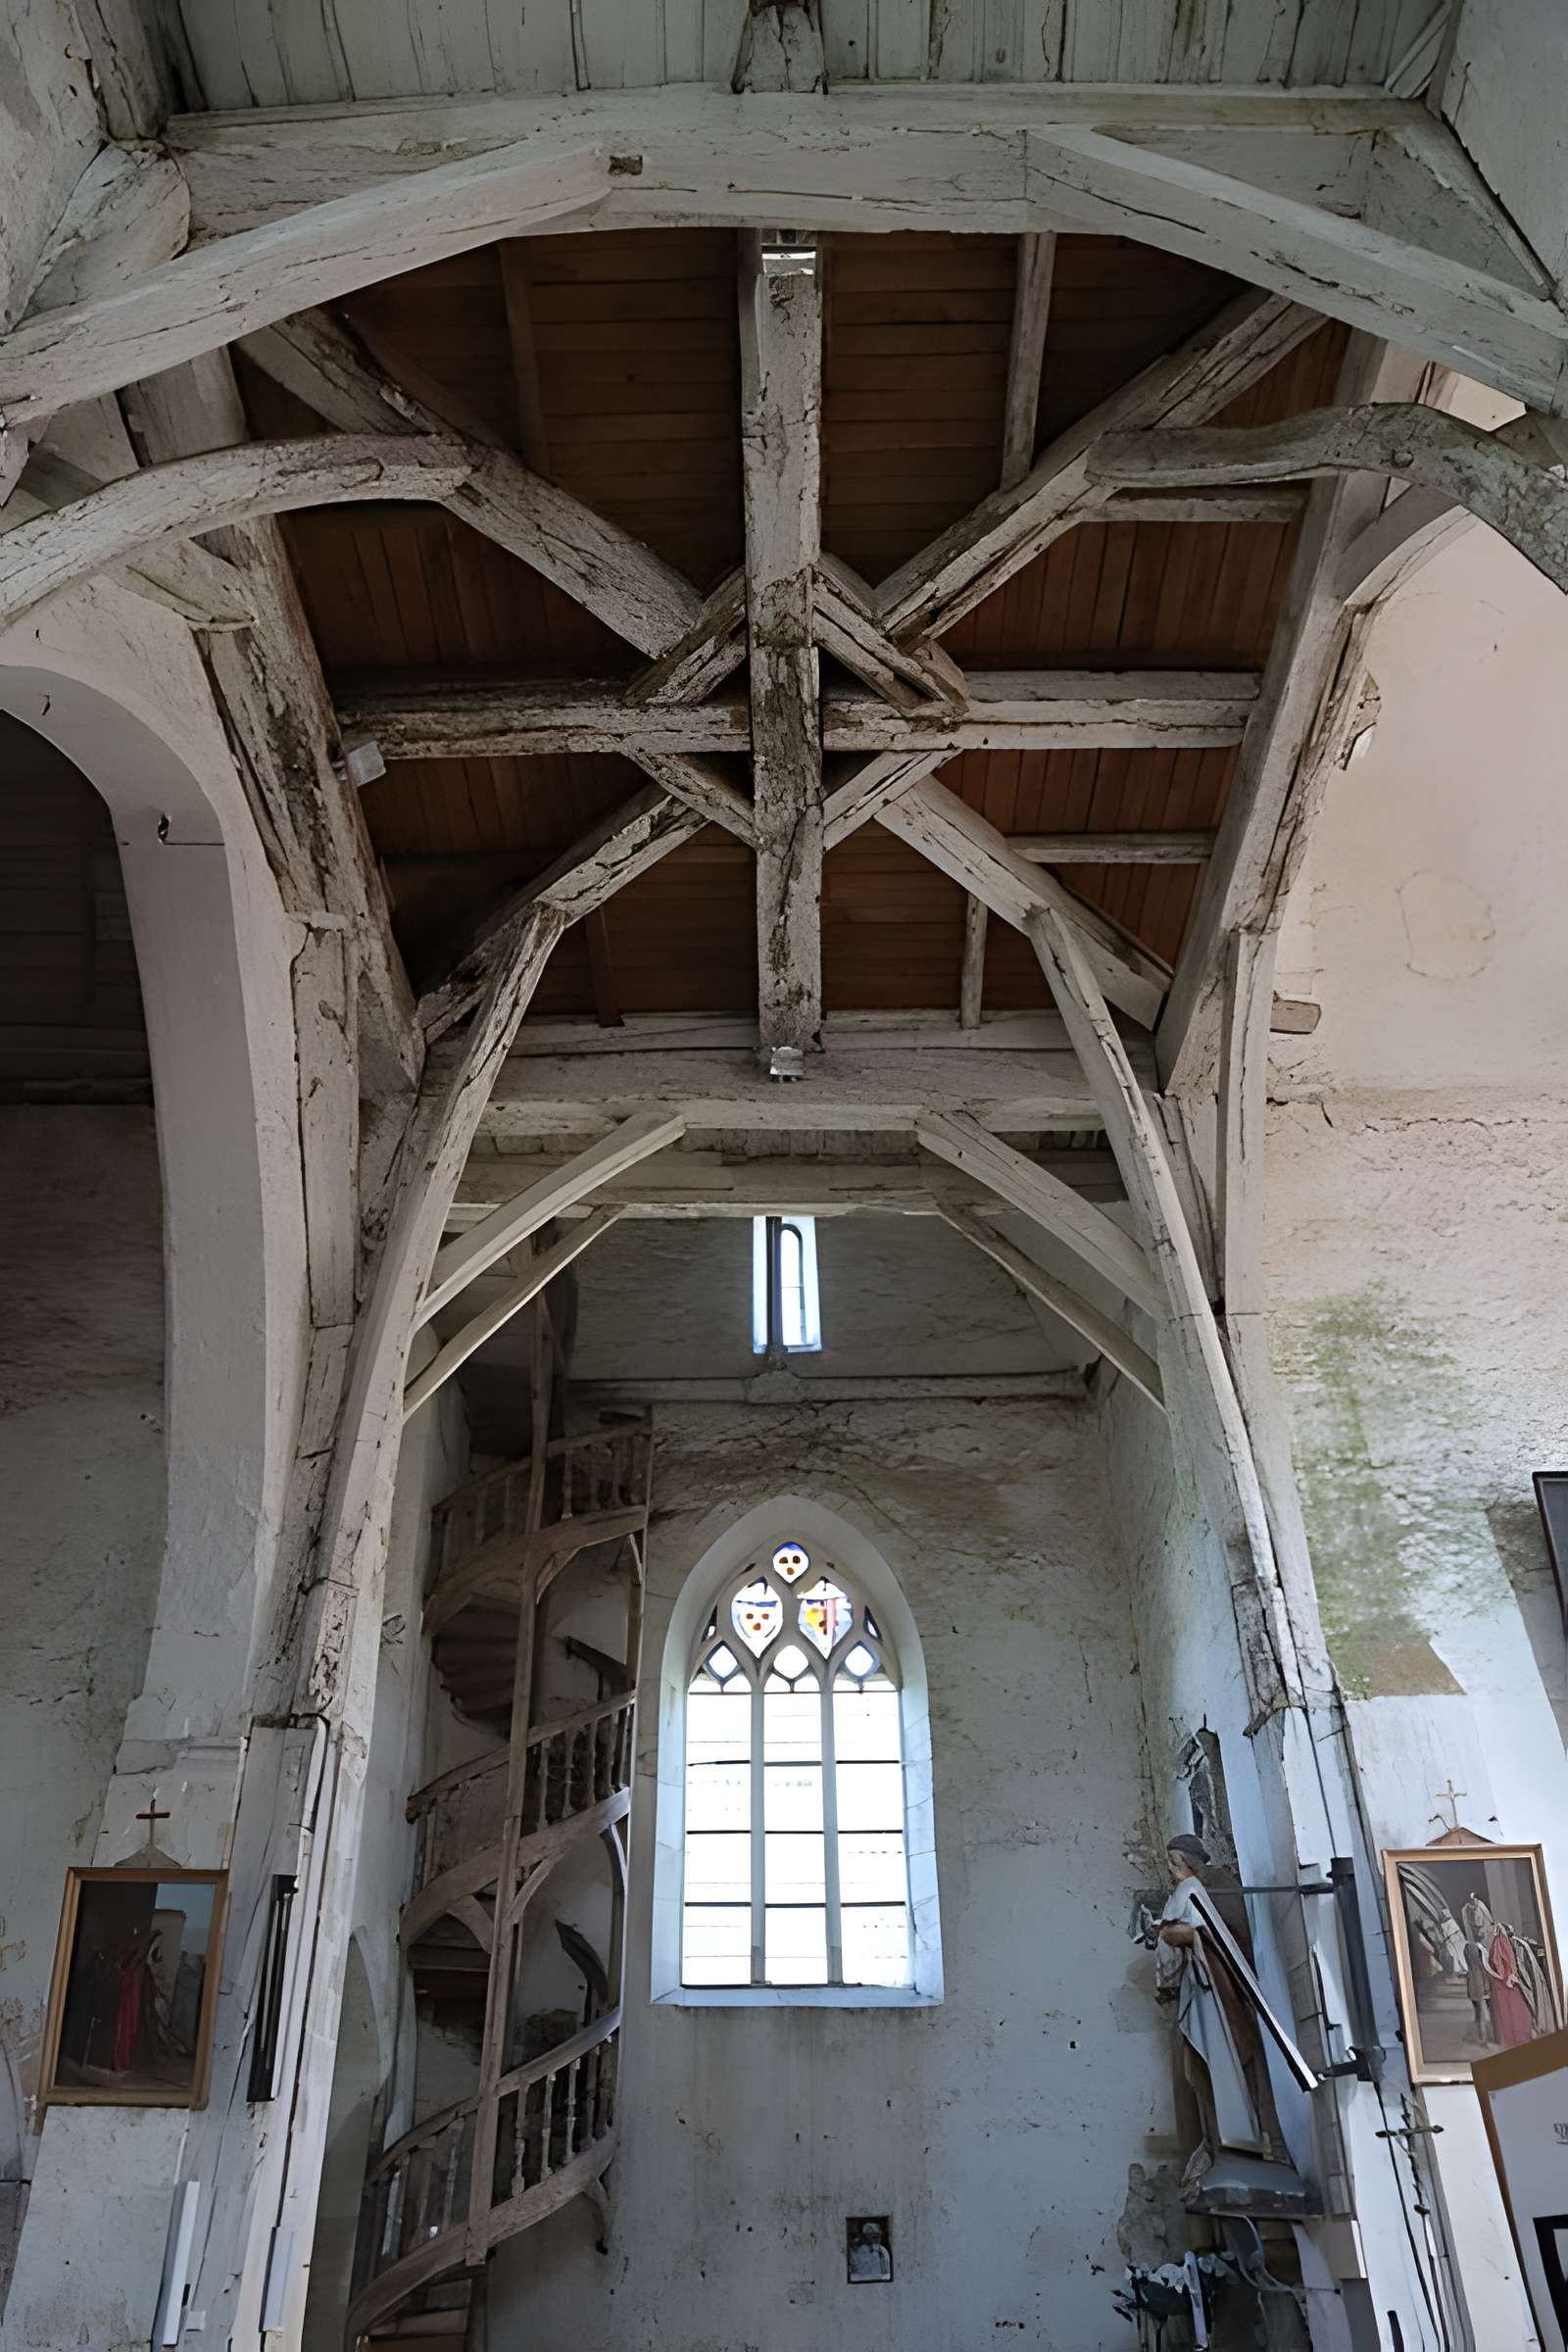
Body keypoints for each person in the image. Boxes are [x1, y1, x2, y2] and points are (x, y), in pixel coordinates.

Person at [1154, 1835, 1281, 2162]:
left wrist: (1168, 1933)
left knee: (1217, 2056)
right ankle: (1220, 2137)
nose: (1170, 1870)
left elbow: (1195, 1931)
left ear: (1186, 1863)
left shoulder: (1195, 1889)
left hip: (1214, 1984)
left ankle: (1238, 2137)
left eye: (1173, 1862)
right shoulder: (1200, 1887)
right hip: (1208, 1982)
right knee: (1202, 2065)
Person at [1488, 1924, 1538, 2048]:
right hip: (1505, 1982)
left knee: (1513, 2011)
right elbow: (1501, 1962)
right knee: (1513, 2011)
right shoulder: (1501, 1941)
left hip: (1505, 1983)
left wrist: (1508, 1975)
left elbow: (1500, 1962)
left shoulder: (1500, 1941)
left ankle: (1520, 2036)